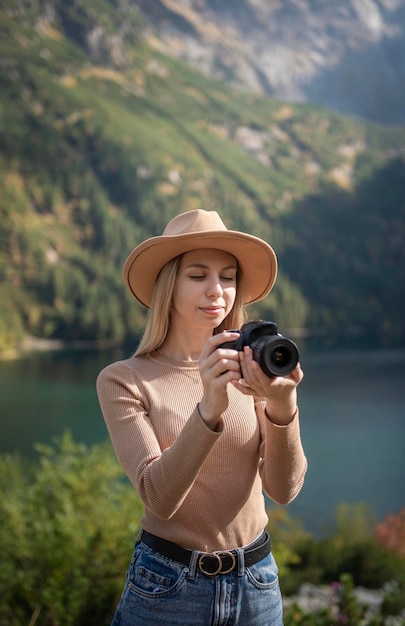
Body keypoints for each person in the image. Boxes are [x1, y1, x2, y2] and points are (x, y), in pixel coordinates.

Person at [96, 209, 307, 626]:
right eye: (198, 276)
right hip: (166, 587)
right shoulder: (125, 380)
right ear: (168, 286)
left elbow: (283, 491)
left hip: (257, 584)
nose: (217, 291)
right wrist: (209, 407)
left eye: (227, 277)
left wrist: (283, 408)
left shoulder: (255, 369)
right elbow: (158, 498)